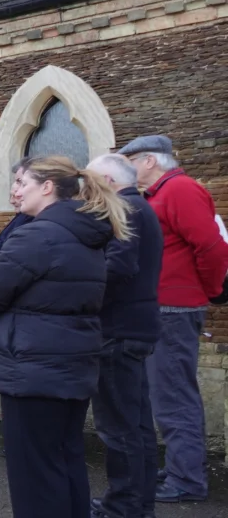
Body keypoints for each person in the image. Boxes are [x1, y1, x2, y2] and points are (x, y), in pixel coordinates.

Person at [0, 156, 132, 518]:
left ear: (47, 187)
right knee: (65, 460)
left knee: (34, 475)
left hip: (34, 369)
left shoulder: (38, 234)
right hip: (73, 364)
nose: (15, 190)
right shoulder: (88, 234)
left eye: (22, 182)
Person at [118, 134, 228, 503]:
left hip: (175, 311)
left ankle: (187, 481)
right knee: (164, 395)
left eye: (129, 160)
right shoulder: (159, 194)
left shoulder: (180, 189)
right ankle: (182, 468)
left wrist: (210, 291)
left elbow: (212, 247)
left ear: (149, 161)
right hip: (161, 309)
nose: (125, 167)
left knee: (174, 397)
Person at [85, 154, 163, 518]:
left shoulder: (126, 209)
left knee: (119, 428)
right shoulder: (141, 207)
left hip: (117, 331)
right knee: (137, 425)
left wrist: (79, 286)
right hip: (135, 327)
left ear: (106, 180)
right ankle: (137, 503)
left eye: (90, 182)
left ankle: (125, 507)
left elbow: (119, 264)